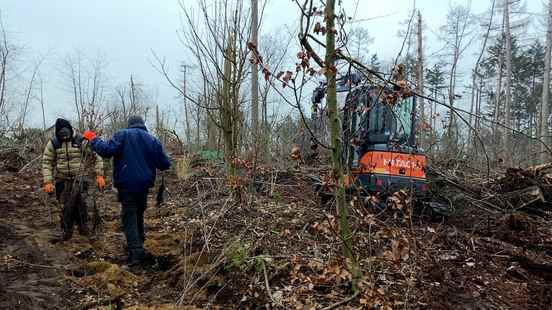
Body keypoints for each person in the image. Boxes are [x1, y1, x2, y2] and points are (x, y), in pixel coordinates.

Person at [83, 115, 171, 266]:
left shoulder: (122, 134)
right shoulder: (152, 139)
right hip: (144, 184)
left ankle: (136, 254)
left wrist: (93, 139)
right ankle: (139, 241)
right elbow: (164, 164)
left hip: (127, 184)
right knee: (138, 213)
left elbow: (106, 151)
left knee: (129, 216)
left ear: (129, 124)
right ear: (142, 124)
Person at [42, 118, 105, 241]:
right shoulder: (54, 143)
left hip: (80, 178)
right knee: (65, 206)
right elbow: (46, 162)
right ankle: (66, 231)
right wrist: (48, 181)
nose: (65, 138)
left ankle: (84, 229)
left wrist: (99, 175)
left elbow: (96, 156)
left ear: (70, 131)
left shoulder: (80, 140)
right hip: (62, 178)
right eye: (62, 136)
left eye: (66, 135)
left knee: (82, 204)